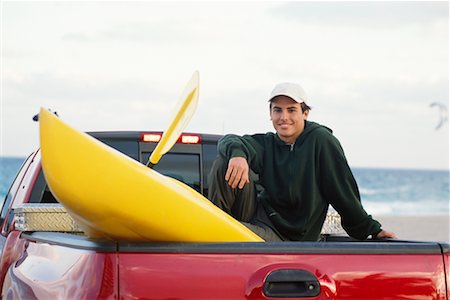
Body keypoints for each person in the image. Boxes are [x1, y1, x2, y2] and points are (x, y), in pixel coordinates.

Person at [208, 82, 396, 241]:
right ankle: (213, 225)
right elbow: (229, 139)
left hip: (286, 237)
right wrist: (238, 155)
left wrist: (372, 230)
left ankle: (215, 233)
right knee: (226, 160)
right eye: (277, 110)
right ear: (270, 114)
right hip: (258, 215)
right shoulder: (268, 143)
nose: (284, 117)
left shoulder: (321, 141)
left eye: (291, 110)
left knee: (225, 230)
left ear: (305, 113)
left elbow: (343, 191)